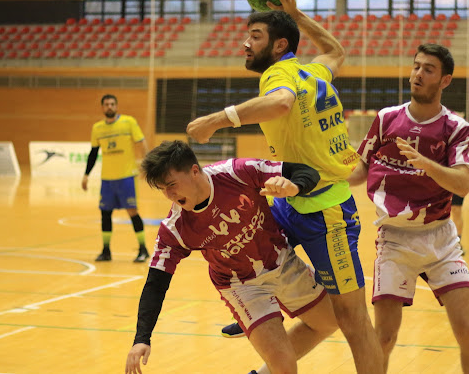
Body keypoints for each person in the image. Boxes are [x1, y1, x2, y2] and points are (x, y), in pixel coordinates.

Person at [186, 0, 383, 373]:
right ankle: (260, 314)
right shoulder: (312, 70)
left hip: (327, 211)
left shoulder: (278, 74)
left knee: (353, 320)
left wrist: (215, 119)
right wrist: (296, 16)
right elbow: (336, 51)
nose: (245, 44)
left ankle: (263, 311)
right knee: (246, 250)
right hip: (287, 199)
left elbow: (279, 103)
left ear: (278, 47)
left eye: (254, 36)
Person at [125, 140, 338, 374]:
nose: (169, 195)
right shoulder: (175, 228)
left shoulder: (237, 173)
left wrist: (294, 186)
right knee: (285, 366)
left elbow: (304, 172)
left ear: (194, 171)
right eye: (162, 189)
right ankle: (259, 332)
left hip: (281, 259)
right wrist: (141, 338)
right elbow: (156, 283)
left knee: (329, 322)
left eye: (172, 185)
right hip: (242, 286)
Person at [348, 43, 469, 373]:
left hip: (441, 239)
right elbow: (359, 169)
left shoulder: (457, 128)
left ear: (445, 81)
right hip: (394, 239)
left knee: (467, 329)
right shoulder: (386, 119)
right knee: (383, 337)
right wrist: (324, 172)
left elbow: (463, 184)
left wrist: (426, 163)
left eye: (428, 69)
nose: (418, 74)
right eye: (416, 67)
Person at [81, 94, 150, 263]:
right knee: (105, 214)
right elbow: (93, 153)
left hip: (126, 177)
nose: (109, 107)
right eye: (106, 104)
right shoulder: (97, 128)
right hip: (107, 179)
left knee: (132, 212)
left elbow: (141, 142)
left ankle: (143, 249)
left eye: (112, 104)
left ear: (116, 106)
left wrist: (148, 166)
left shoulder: (128, 122)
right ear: (102, 107)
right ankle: (106, 251)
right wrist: (86, 174)